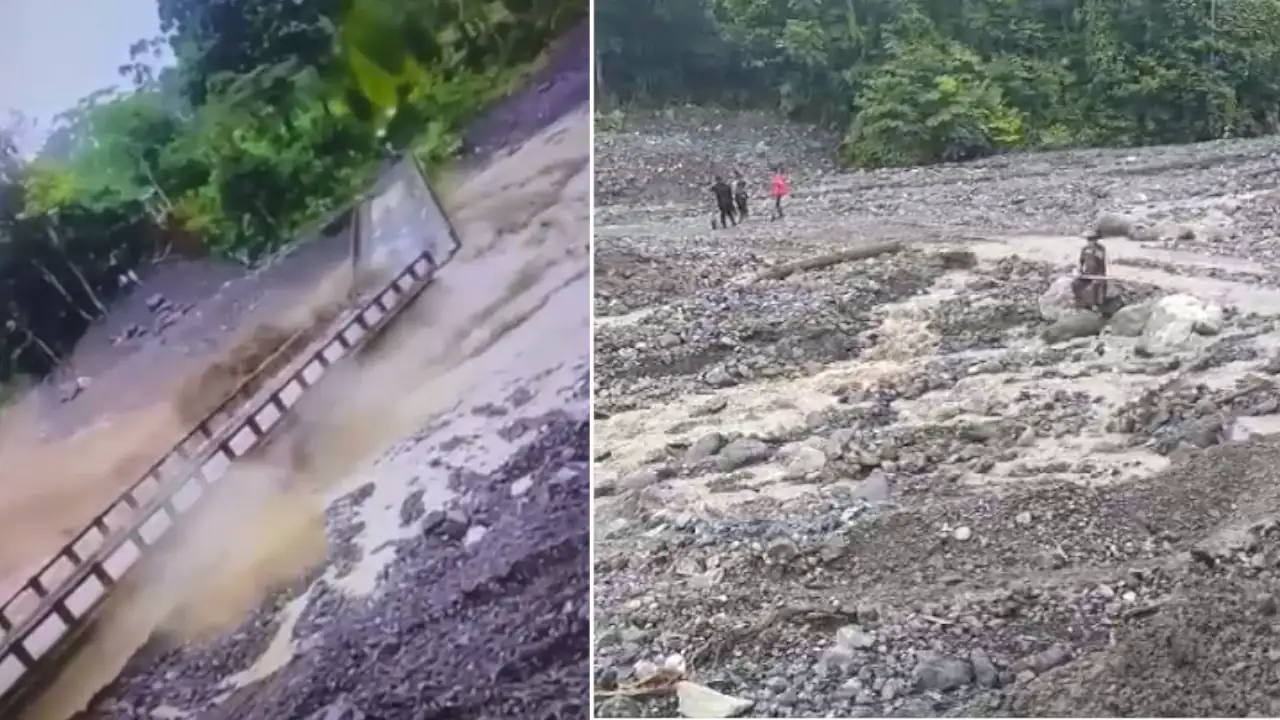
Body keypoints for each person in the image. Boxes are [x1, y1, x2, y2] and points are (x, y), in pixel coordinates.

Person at [1075, 231, 1108, 309]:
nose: (1090, 242)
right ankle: (1079, 302)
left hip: (1099, 274)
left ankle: (1096, 305)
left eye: (1092, 240)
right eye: (1089, 240)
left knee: (1096, 285)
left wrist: (1094, 252)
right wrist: (1080, 271)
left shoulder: (1101, 249)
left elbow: (1101, 260)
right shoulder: (1084, 249)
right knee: (1076, 283)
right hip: (1087, 273)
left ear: (1096, 240)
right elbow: (1081, 262)